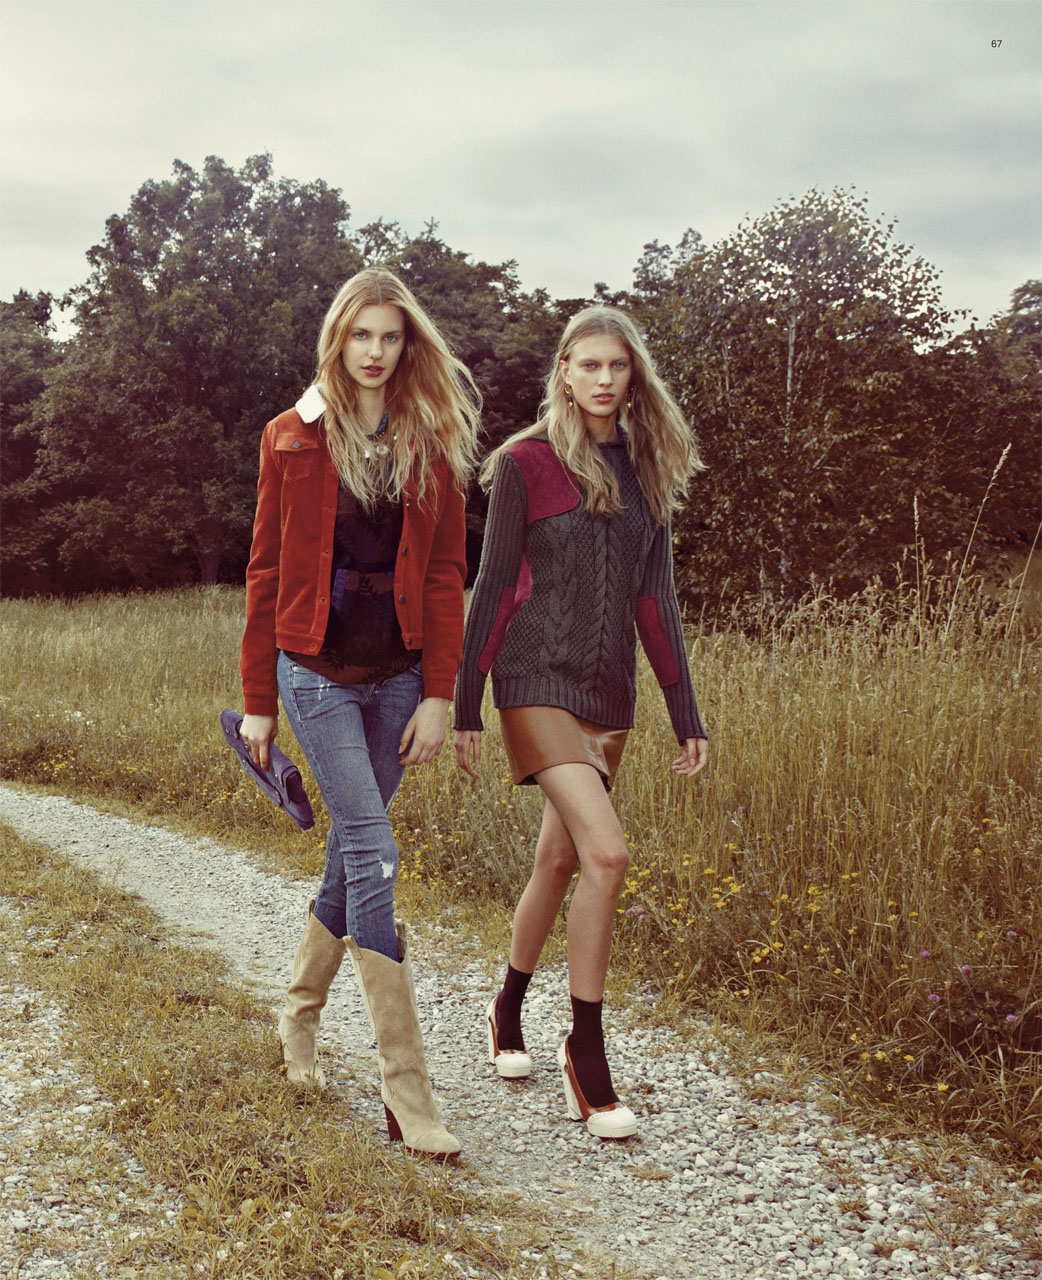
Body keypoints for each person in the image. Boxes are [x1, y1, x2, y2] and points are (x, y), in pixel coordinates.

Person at [238, 267, 479, 1157]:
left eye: (390, 337)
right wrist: (258, 702)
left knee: (353, 846)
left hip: (400, 678)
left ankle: (297, 1016)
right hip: (316, 675)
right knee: (376, 849)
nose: (374, 352)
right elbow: (265, 570)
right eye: (361, 336)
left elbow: (447, 575)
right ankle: (406, 1091)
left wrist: (443, 693)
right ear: (338, 340)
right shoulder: (290, 437)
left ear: (408, 345)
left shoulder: (433, 439)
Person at [454, 306, 708, 1140]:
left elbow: (654, 601)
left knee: (560, 858)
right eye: (589, 364)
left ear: (633, 378)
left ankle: (506, 1008)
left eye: (617, 366)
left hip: (607, 695)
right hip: (533, 682)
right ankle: (585, 1055)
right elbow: (494, 587)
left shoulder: (647, 468)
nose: (603, 379)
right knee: (609, 853)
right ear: (564, 371)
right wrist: (466, 702)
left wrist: (685, 710)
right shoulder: (526, 463)